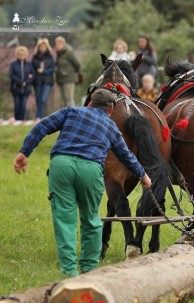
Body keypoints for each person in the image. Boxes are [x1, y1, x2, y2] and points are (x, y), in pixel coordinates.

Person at [13, 89, 152, 277]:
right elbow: (126, 156)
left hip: (61, 165)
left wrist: (24, 152)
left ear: (90, 104)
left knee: (64, 220)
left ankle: (69, 271)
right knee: (91, 220)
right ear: (110, 110)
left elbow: (42, 127)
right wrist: (142, 175)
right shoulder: (111, 127)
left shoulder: (71, 111)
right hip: (91, 169)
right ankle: (88, 269)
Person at [32, 38, 56, 119]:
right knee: (38, 99)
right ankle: (40, 116)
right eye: (41, 47)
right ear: (38, 48)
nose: (42, 48)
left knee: (43, 99)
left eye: (44, 46)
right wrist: (36, 71)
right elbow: (32, 69)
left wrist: (44, 71)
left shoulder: (50, 57)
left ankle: (38, 117)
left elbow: (53, 68)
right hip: (37, 81)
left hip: (47, 81)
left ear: (47, 47)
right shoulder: (34, 57)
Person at [9, 46, 35, 120]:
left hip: (26, 88)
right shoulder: (13, 64)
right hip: (15, 88)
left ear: (26, 55)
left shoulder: (29, 65)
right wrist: (20, 82)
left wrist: (26, 82)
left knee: (23, 105)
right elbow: (11, 75)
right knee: (17, 105)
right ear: (17, 55)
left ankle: (22, 119)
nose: (21, 56)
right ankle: (17, 119)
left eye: (23, 54)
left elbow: (33, 75)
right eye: (20, 54)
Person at [55, 36, 81, 107]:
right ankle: (63, 115)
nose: (56, 46)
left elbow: (77, 64)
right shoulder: (59, 54)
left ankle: (72, 113)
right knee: (63, 99)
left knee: (68, 97)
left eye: (58, 44)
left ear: (63, 44)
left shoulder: (69, 52)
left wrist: (70, 73)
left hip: (69, 79)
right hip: (61, 79)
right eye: (56, 44)